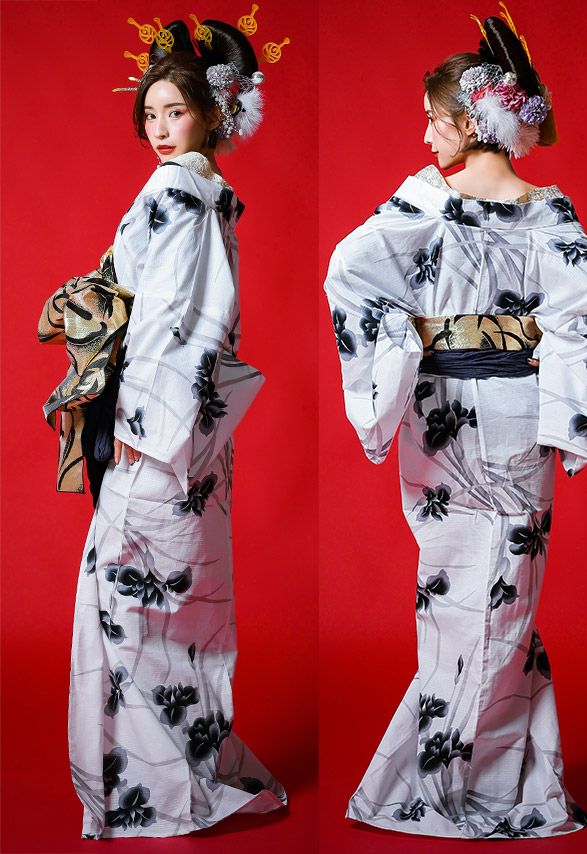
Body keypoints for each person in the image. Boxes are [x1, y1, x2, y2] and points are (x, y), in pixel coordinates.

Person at [323, 6, 587, 841]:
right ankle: (453, 781)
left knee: (500, 604)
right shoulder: (455, 209)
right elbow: (352, 276)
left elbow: (583, 313)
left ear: (472, 121)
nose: (425, 136)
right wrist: (409, 345)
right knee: (464, 600)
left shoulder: (521, 213)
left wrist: (411, 346)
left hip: (487, 425)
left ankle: (484, 778)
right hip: (462, 429)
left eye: (433, 119)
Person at [63, 16, 286, 838]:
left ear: (213, 114)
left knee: (131, 600)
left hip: (156, 427)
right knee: (180, 602)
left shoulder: (177, 193)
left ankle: (151, 790)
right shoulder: (208, 194)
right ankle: (182, 771)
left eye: (176, 112)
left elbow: (174, 322)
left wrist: (137, 419)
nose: (159, 129)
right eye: (150, 114)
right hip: (194, 429)